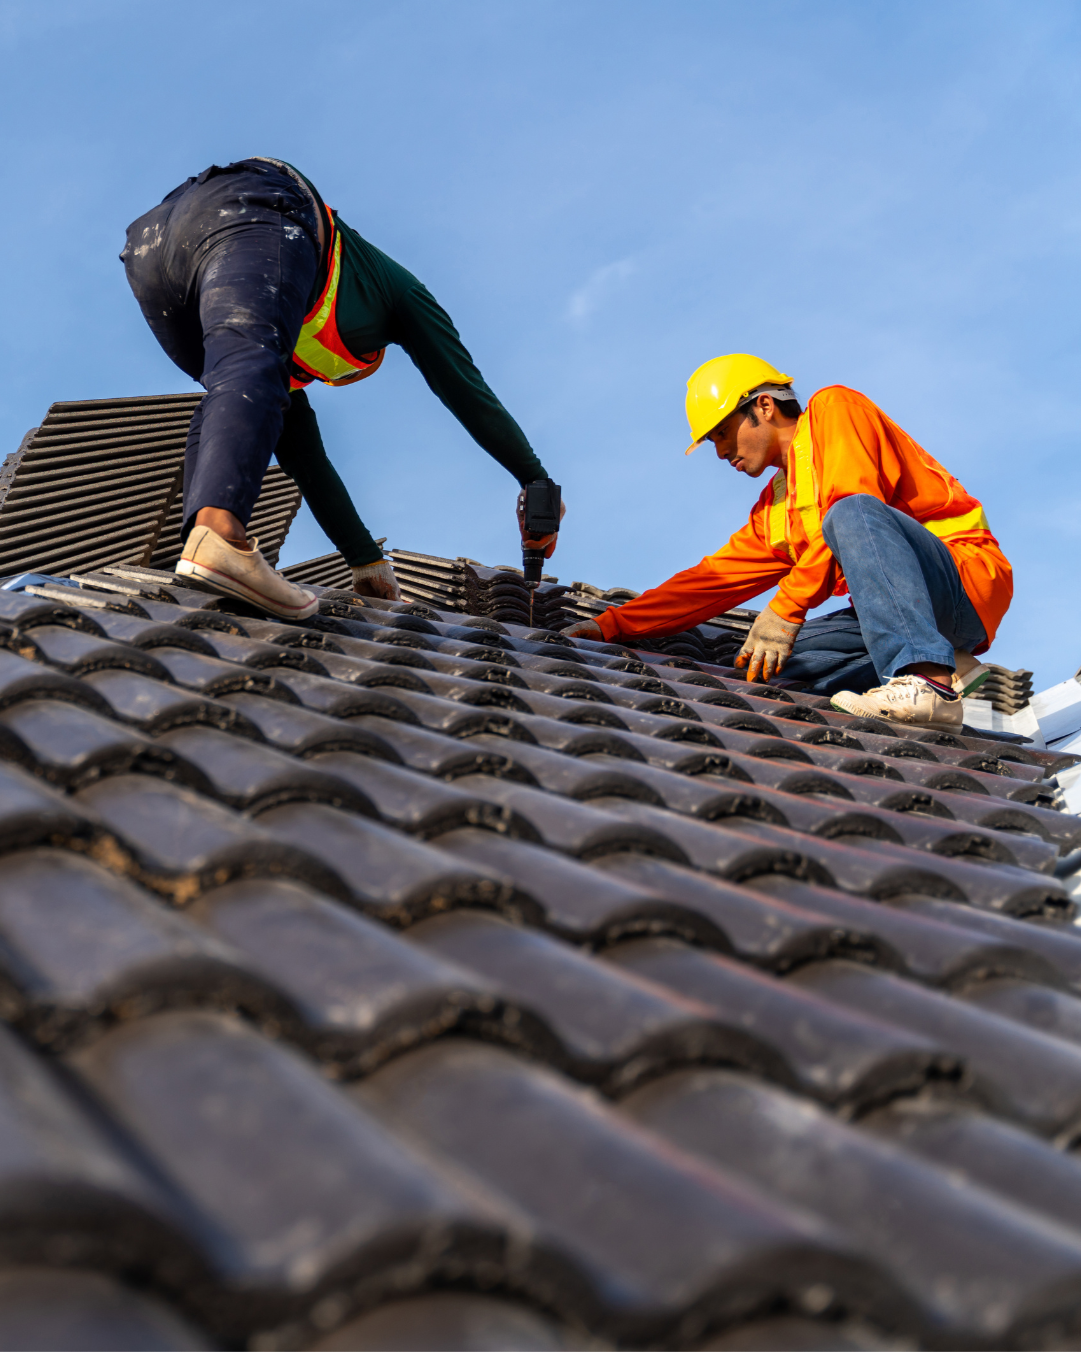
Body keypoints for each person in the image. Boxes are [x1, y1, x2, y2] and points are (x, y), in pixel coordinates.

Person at [121, 156, 562, 619]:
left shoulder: (280, 337)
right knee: (252, 370)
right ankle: (218, 534)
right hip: (255, 206)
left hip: (153, 249)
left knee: (230, 396)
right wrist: (534, 479)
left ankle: (199, 551)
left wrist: (365, 561)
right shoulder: (398, 293)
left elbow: (306, 459)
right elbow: (466, 389)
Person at [562, 354, 1012, 733]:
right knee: (771, 668)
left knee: (850, 512)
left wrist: (786, 606)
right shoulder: (777, 508)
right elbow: (710, 581)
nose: (721, 453)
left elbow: (854, 505)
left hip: (963, 581)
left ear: (763, 406)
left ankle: (928, 681)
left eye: (721, 433)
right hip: (904, 612)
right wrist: (611, 626)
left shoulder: (834, 409)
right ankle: (944, 660)